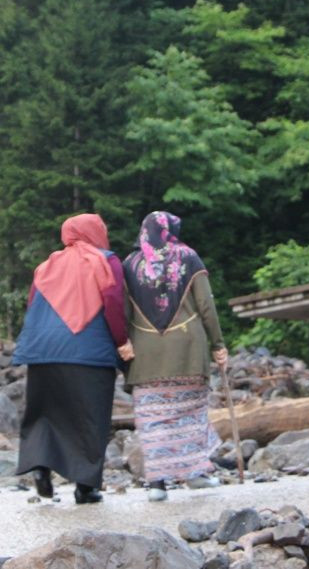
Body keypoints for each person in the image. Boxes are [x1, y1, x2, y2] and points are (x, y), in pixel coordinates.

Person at [11, 213, 133, 504]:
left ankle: (40, 468)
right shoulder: (106, 261)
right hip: (88, 352)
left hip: (42, 353)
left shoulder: (46, 266)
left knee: (44, 412)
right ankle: (85, 486)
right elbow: (114, 304)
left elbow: (32, 305)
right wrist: (121, 341)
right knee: (90, 417)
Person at [122, 210, 228, 502]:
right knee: (189, 414)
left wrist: (122, 346)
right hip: (187, 349)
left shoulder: (129, 264)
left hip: (146, 354)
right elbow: (206, 305)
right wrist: (218, 344)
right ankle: (194, 475)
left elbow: (122, 311)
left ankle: (157, 484)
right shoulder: (188, 257)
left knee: (152, 418)